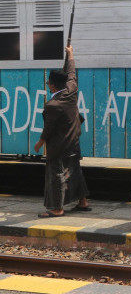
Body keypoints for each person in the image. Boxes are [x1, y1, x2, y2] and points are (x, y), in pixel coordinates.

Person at [34, 45, 90, 217]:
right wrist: (71, 54)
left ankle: (57, 209)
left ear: (51, 85)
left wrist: (40, 142)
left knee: (56, 174)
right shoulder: (71, 90)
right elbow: (71, 72)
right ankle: (82, 201)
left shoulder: (52, 105)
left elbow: (49, 129)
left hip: (59, 145)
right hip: (74, 140)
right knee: (74, 170)